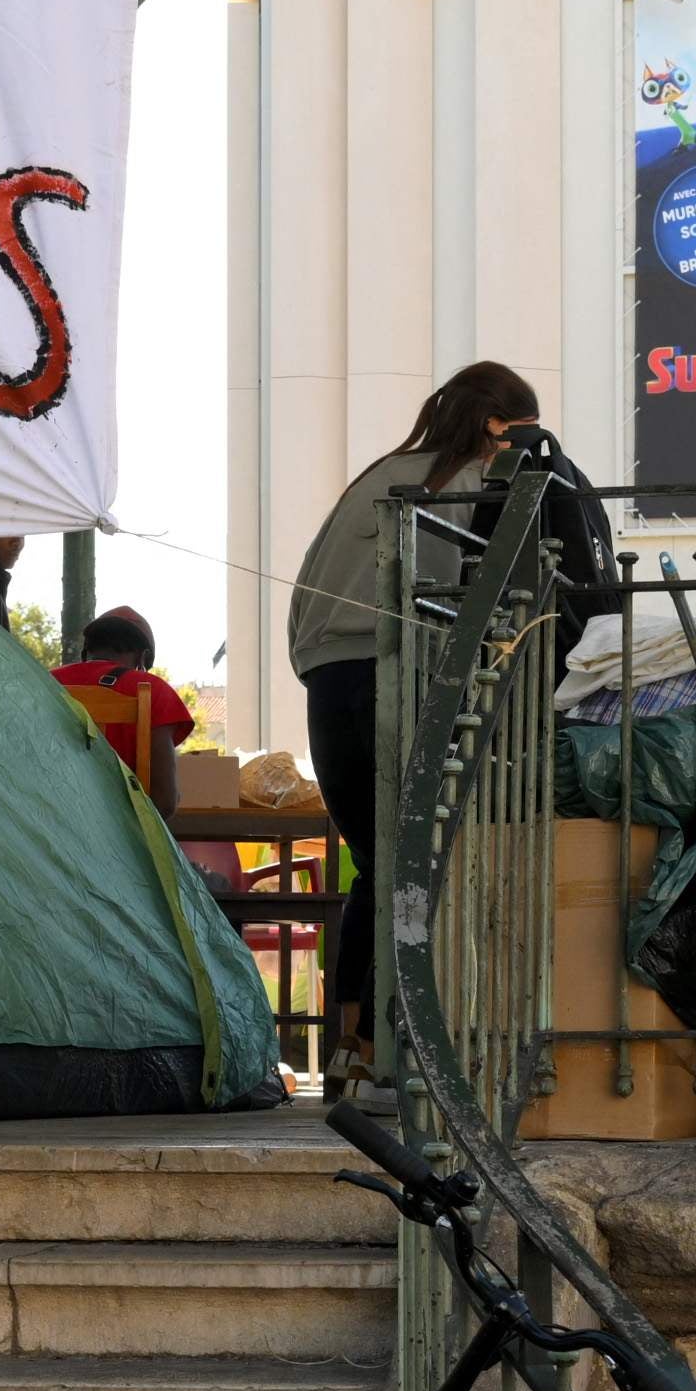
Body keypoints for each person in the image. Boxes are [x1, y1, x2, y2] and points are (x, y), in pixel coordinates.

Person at [286, 366, 558, 1061]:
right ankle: (389, 1041)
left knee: (377, 859)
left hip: (326, 681)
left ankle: (354, 1044)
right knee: (415, 857)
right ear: (500, 425)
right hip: (389, 675)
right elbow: (442, 607)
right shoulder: (461, 484)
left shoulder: (380, 474)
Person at [52, 605, 200, 808]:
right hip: (121, 836)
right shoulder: (154, 690)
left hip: (47, 830)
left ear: (86, 652)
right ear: (142, 657)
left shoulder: (45, 681)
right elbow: (164, 799)